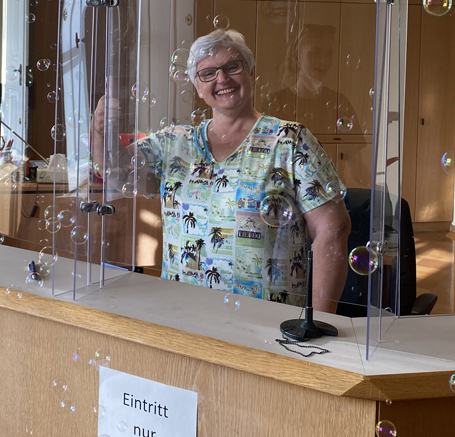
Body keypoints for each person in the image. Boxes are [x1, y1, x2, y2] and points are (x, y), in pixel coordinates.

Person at [93, 29, 350, 312]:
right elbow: (116, 171)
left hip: (268, 318)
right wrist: (103, 131)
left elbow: (333, 229)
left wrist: (321, 320)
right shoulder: (174, 143)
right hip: (182, 313)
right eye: (208, 73)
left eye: (232, 67)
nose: (222, 79)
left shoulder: (290, 140)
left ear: (251, 73)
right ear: (197, 87)